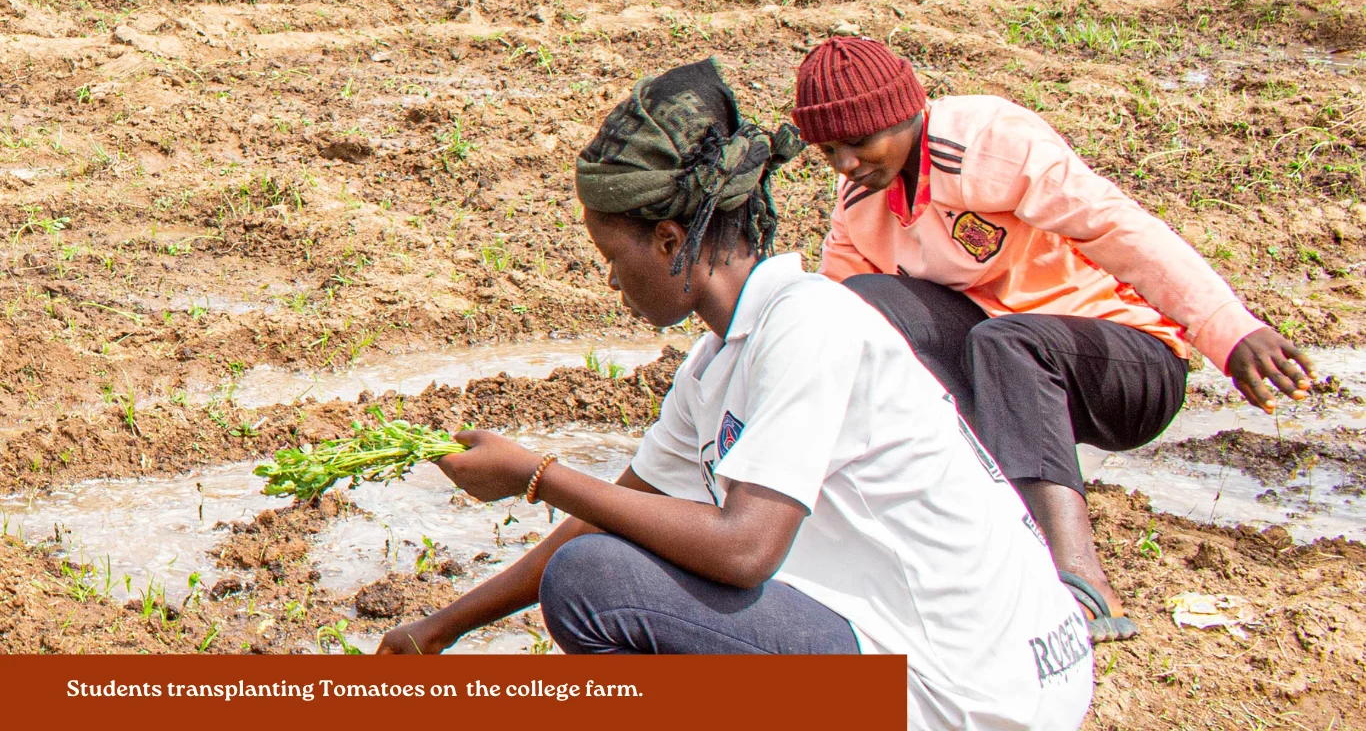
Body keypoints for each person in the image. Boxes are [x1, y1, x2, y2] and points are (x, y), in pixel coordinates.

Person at [378, 58, 1094, 730]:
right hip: (927, 657)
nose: (610, 284)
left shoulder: (809, 325)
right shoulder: (719, 361)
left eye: (612, 259)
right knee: (598, 564)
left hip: (981, 693)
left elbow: (745, 550)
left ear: (667, 241)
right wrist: (438, 630)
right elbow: (616, 515)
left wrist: (537, 477)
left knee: (594, 584)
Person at [790, 37, 1317, 643]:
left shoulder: (991, 142)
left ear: (904, 114)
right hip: (1005, 362)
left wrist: (1230, 328)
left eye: (859, 142)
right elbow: (834, 304)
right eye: (829, 149)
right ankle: (979, 536)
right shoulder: (862, 196)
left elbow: (1118, 227)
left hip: (1126, 360)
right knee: (866, 308)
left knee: (1007, 343)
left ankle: (1080, 582)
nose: (846, 164)